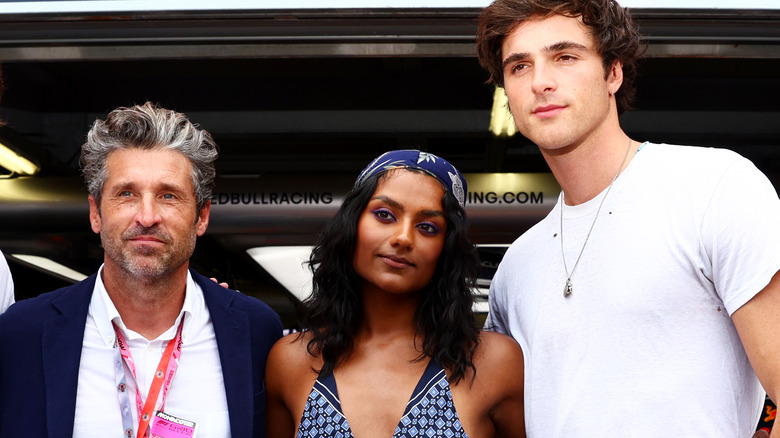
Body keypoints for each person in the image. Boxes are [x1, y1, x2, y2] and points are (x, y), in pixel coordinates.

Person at [476, 0, 780, 437]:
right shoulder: (516, 266)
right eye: (519, 66)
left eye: (564, 57)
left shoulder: (713, 186)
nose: (540, 81)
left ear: (612, 73)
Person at [0, 102, 283, 438]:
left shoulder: (255, 330)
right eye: (126, 193)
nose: (147, 216)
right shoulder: (20, 334)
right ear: (95, 213)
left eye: (168, 195)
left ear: (202, 216)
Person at [265, 150, 525, 437]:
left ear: (446, 250)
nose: (403, 238)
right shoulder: (291, 361)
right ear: (352, 224)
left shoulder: (494, 362)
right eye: (385, 215)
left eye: (427, 227)